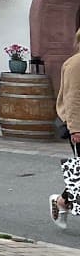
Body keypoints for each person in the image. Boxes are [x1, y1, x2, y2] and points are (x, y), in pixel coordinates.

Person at [49, 26, 80, 228]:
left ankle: (62, 201)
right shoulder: (76, 64)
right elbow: (73, 97)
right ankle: (62, 201)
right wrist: (76, 128)